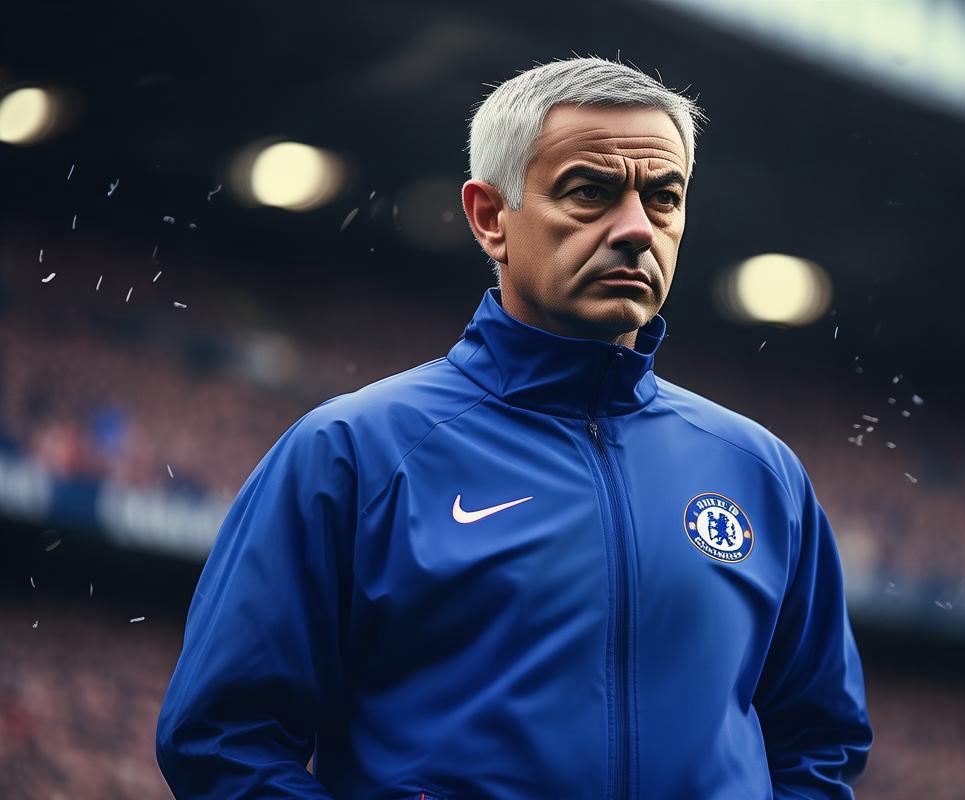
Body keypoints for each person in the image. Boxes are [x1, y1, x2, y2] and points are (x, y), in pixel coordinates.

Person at [156, 56, 872, 799]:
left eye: (664, 198)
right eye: (590, 192)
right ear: (490, 217)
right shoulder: (353, 453)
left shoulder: (761, 472)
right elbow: (224, 740)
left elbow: (818, 743)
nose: (637, 229)